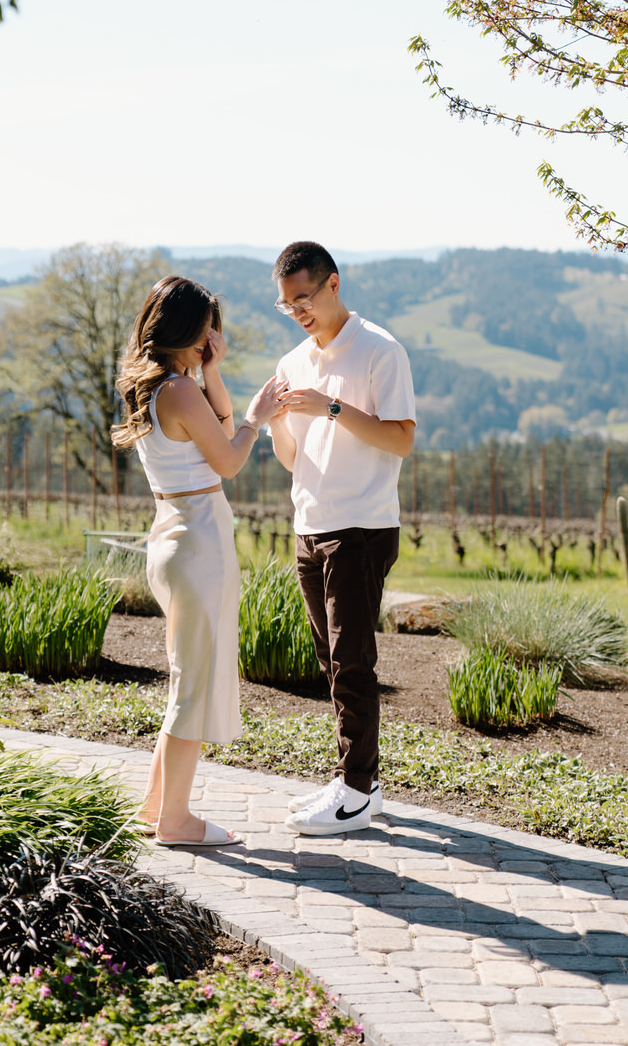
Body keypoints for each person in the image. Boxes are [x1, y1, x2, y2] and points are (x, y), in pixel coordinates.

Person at [113, 274, 283, 848]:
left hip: (172, 535)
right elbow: (230, 458)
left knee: (186, 679)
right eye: (209, 326)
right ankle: (178, 821)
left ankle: (157, 805)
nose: (215, 334)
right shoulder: (179, 391)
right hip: (198, 541)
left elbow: (213, 428)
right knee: (193, 684)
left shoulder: (157, 386)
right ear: (191, 328)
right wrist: (258, 419)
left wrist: (211, 370)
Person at [268, 241, 416, 835]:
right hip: (310, 524)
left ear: (333, 284)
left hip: (362, 525)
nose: (298, 311)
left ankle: (355, 791)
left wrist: (331, 407)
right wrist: (281, 419)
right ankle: (361, 781)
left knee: (352, 661)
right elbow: (291, 458)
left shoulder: (380, 349)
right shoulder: (292, 361)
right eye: (286, 305)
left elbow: (401, 438)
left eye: (303, 298)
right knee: (332, 660)